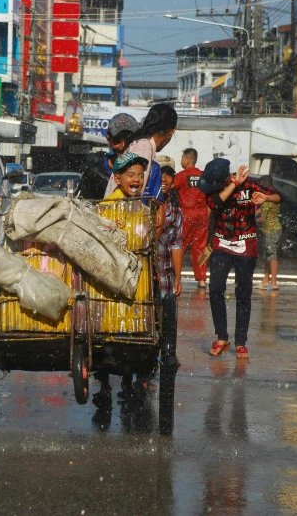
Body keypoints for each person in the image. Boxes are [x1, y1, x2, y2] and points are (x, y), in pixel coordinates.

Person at [198, 158, 280, 359]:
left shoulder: (250, 184)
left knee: (243, 294)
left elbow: (279, 197)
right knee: (216, 289)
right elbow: (216, 203)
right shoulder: (214, 190)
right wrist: (234, 184)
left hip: (246, 245)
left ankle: (241, 342)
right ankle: (222, 337)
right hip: (221, 244)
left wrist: (266, 199)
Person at [92, 152, 150, 406]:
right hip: (111, 281)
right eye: (130, 175)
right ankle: (105, 385)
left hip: (138, 283)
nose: (136, 179)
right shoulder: (106, 207)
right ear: (117, 179)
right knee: (107, 333)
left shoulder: (144, 208)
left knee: (131, 333)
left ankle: (125, 384)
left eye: (140, 175)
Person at [103, 103, 178, 199]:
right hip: (120, 210)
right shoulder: (144, 146)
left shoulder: (141, 143)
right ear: (172, 131)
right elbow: (134, 193)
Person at [78, 113, 139, 200]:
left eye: (129, 140)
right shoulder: (96, 172)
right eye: (118, 140)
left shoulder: (147, 169)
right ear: (109, 140)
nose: (123, 146)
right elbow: (81, 205)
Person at [173, 148, 210, 288]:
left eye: (182, 158)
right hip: (202, 213)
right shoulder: (203, 175)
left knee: (179, 245)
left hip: (187, 213)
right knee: (200, 246)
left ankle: (175, 276)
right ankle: (201, 279)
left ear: (187, 160)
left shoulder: (182, 175)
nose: (181, 160)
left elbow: (171, 186)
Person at [156, 161, 184, 298]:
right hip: (144, 273)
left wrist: (178, 278)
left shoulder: (176, 212)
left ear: (173, 181)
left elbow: (176, 246)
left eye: (168, 175)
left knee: (165, 317)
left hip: (165, 277)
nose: (163, 178)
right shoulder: (142, 204)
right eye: (160, 173)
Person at [254, 175, 281, 290]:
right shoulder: (271, 197)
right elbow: (262, 210)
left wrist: (254, 220)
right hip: (271, 230)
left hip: (272, 230)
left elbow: (263, 217)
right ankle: (265, 280)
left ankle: (274, 282)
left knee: (272, 256)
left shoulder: (268, 199)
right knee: (268, 256)